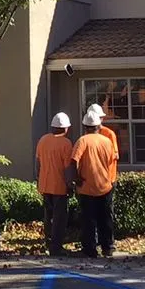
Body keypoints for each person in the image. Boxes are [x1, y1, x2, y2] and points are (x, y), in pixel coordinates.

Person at [68, 109, 116, 258]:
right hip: (105, 186)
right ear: (98, 126)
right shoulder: (107, 141)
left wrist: (76, 178)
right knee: (105, 218)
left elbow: (73, 161)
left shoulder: (82, 141)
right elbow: (111, 162)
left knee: (89, 220)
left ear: (85, 126)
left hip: (86, 188)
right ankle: (107, 247)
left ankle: (90, 249)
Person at [35, 112, 73, 256]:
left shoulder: (43, 140)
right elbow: (68, 168)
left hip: (45, 185)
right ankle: (56, 247)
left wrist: (38, 178)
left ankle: (48, 242)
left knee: (48, 216)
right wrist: (70, 185)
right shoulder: (66, 143)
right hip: (59, 187)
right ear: (65, 128)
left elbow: (38, 162)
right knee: (59, 218)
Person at [86, 103, 120, 181]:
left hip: (108, 177)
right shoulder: (88, 134)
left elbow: (115, 155)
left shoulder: (109, 133)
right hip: (94, 177)